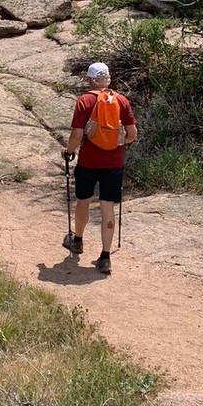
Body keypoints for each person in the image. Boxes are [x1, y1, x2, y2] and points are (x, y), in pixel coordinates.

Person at [60, 62, 137, 274]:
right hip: (114, 163)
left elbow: (77, 134)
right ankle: (105, 257)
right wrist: (116, 144)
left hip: (88, 162)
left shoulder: (85, 100)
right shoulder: (121, 100)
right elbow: (132, 134)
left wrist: (69, 152)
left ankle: (78, 241)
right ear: (109, 79)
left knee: (83, 201)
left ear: (89, 80)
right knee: (107, 208)